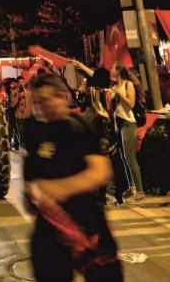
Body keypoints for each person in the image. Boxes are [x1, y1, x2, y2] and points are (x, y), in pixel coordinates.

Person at [23, 72, 122, 281]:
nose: (40, 107)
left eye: (46, 100)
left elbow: (101, 172)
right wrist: (29, 195)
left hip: (86, 224)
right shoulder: (33, 129)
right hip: (50, 227)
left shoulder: (77, 126)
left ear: (61, 97)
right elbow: (30, 168)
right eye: (36, 102)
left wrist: (58, 188)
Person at [109, 65, 145, 204]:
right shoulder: (114, 86)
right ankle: (132, 188)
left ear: (119, 72)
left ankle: (140, 192)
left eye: (113, 68)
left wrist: (120, 93)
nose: (111, 71)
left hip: (128, 123)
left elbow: (131, 103)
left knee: (130, 159)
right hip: (118, 124)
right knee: (124, 158)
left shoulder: (128, 84)